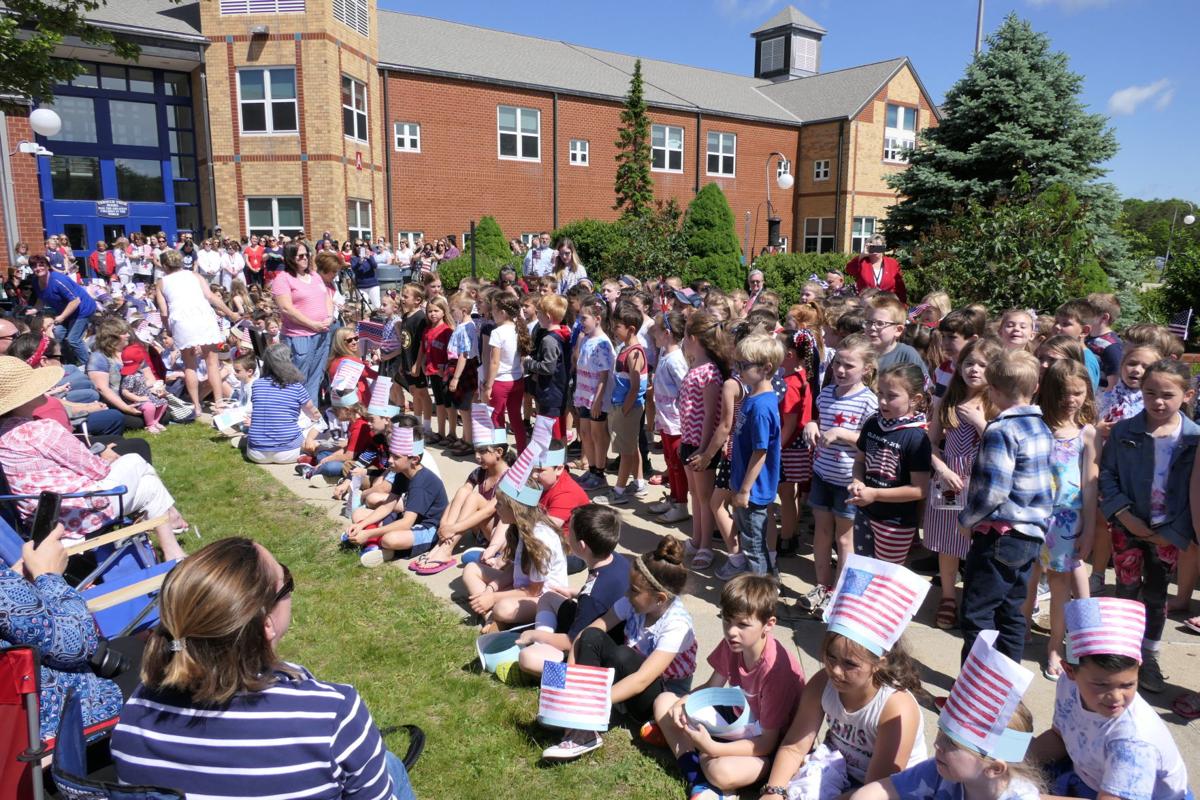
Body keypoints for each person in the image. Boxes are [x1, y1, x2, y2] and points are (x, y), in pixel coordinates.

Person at [110, 537, 416, 800]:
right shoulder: (333, 715)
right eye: (286, 582)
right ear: (266, 624)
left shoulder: (138, 710)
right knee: (390, 766)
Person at [762, 555, 928, 798]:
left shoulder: (895, 708)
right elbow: (795, 747)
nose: (836, 671)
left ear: (878, 664)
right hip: (839, 773)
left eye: (850, 664)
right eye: (831, 658)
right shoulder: (822, 683)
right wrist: (773, 791)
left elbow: (877, 790)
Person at [0, 355, 187, 559]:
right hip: (75, 513)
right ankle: (173, 520)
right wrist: (105, 456)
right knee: (134, 460)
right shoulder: (40, 430)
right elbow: (98, 470)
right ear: (23, 398)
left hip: (43, 519)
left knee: (149, 486)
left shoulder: (6, 434)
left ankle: (174, 551)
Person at [542, 537, 696, 762]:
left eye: (634, 590)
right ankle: (575, 712)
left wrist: (590, 705)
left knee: (623, 654)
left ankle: (585, 730)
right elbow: (589, 634)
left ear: (660, 599)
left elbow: (642, 680)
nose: (627, 594)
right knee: (592, 636)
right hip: (626, 682)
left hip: (657, 696)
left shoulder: (677, 624)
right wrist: (571, 676)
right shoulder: (632, 603)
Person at [653, 575, 804, 799]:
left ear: (769, 624)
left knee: (721, 771)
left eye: (743, 624)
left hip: (767, 747)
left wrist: (712, 748)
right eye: (727, 620)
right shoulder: (734, 644)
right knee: (665, 702)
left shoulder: (776, 671)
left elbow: (767, 742)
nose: (731, 631)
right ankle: (699, 780)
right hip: (737, 722)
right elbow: (713, 686)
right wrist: (683, 702)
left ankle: (691, 753)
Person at [1098, 359, 1198, 693]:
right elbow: (1107, 475)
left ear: (1187, 395)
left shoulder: (1194, 439)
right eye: (1150, 392)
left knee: (1156, 595)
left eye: (1167, 395)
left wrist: (1171, 531)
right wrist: (1124, 515)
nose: (1157, 401)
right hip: (1127, 525)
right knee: (1126, 589)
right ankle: (1122, 653)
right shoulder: (1126, 430)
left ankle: (1149, 656)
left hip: (1168, 532)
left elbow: (1194, 493)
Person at [1028, 598, 1188, 799]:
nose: (1115, 697)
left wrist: (1019, 795)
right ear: (1070, 670)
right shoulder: (1068, 685)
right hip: (1089, 777)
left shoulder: (1134, 741)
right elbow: (1059, 736)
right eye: (1101, 685)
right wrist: (1014, 761)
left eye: (1128, 685)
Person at [850, 639, 1043, 800]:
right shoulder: (939, 771)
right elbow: (873, 793)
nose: (936, 744)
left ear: (994, 769)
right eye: (941, 732)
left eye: (951, 742)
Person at [958, 349, 1054, 663]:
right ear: (1035, 388)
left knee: (978, 613)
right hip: (1030, 535)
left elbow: (993, 491)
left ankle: (974, 691)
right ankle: (1006, 685)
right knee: (1011, 612)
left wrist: (967, 519)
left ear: (994, 391)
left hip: (1001, 535)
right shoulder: (1041, 427)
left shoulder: (1001, 431)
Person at [0, 523, 128, 741]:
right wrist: (49, 575)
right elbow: (79, 644)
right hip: (63, 732)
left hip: (13, 746)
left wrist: (14, 583)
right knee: (157, 664)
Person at [799, 334, 879, 618]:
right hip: (822, 473)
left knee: (844, 539)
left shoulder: (869, 402)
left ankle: (841, 593)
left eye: (849, 366)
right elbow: (820, 420)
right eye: (837, 364)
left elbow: (871, 441)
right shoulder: (826, 393)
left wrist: (842, 434)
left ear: (867, 369)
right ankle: (822, 585)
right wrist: (811, 424)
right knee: (821, 532)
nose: (841, 371)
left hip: (849, 480)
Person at [923, 338, 999, 630]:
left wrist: (980, 422)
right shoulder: (948, 401)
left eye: (982, 364)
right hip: (951, 479)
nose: (975, 370)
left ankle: (973, 598)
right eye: (969, 363)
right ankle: (947, 596)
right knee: (948, 540)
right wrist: (941, 468)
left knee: (977, 541)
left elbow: (1001, 444)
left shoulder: (996, 404)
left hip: (982, 481)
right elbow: (931, 442)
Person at [1032, 359, 1099, 681]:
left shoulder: (1087, 434)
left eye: (1078, 392)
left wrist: (1087, 529)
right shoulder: (1036, 425)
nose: (1070, 399)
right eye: (1063, 392)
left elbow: (1090, 485)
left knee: (1059, 588)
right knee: (1027, 578)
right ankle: (1019, 630)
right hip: (1031, 516)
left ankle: (1055, 647)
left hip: (1065, 521)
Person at [462, 442, 568, 630]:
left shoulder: (539, 537)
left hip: (543, 598)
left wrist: (494, 597)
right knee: (471, 568)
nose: (496, 508)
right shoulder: (518, 527)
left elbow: (533, 590)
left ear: (516, 509)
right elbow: (515, 567)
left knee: (503, 607)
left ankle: (495, 614)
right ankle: (490, 616)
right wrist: (491, 588)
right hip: (520, 588)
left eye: (501, 504)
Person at [516, 504, 630, 678]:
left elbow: (571, 642)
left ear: (582, 546)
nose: (567, 534)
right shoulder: (618, 560)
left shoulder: (592, 598)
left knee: (527, 659)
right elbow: (606, 597)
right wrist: (576, 593)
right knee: (548, 598)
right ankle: (543, 645)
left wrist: (534, 634)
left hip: (597, 653)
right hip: (601, 625)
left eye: (571, 532)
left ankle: (563, 676)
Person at [848, 363, 932, 565]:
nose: (883, 401)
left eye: (892, 396)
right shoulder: (872, 423)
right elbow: (859, 461)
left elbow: (920, 490)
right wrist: (857, 481)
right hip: (865, 513)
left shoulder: (917, 436)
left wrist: (875, 494)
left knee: (884, 574)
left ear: (915, 399)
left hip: (895, 524)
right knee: (862, 567)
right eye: (880, 394)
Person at [717, 334, 783, 579]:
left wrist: (744, 490)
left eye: (744, 365)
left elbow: (760, 452)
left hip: (753, 490)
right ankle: (766, 583)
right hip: (743, 482)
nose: (738, 370)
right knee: (752, 541)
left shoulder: (762, 407)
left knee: (754, 547)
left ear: (766, 368)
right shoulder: (753, 397)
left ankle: (762, 594)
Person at [344, 421, 448, 568]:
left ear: (415, 459)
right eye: (390, 455)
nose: (390, 460)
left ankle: (381, 546)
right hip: (408, 519)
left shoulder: (422, 482)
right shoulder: (402, 472)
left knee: (390, 539)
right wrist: (362, 525)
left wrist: (368, 534)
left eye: (396, 457)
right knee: (359, 515)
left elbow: (407, 523)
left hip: (428, 529)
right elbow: (387, 506)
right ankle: (376, 545)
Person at [156, 248, 240, 417]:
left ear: (165, 265)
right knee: (212, 363)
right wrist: (230, 313)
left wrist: (169, 330)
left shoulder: (162, 282)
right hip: (203, 316)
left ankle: (197, 406)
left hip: (181, 320)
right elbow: (211, 297)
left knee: (190, 365)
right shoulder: (195, 275)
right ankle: (219, 403)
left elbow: (163, 312)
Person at [595, 302, 648, 506]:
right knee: (631, 445)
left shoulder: (635, 353)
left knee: (625, 452)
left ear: (631, 328)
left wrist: (625, 409)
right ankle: (639, 482)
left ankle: (619, 490)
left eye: (617, 327)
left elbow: (635, 386)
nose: (614, 330)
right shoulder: (627, 348)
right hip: (624, 406)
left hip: (628, 408)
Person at [272, 240, 334, 405]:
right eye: (300, 256)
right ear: (290, 258)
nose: (305, 258)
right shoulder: (283, 279)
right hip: (299, 337)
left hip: (321, 334)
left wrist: (330, 316)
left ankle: (311, 415)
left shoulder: (314, 276)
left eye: (307, 254)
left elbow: (326, 297)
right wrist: (311, 324)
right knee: (299, 378)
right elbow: (286, 308)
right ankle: (296, 414)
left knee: (316, 376)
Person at [244, 343, 323, 464]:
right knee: (318, 426)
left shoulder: (257, 385)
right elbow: (313, 413)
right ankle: (309, 453)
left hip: (255, 453)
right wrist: (318, 419)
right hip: (288, 452)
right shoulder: (296, 387)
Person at [776, 329, 818, 558]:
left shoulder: (790, 382)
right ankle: (790, 533)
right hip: (796, 444)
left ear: (789, 354)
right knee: (790, 493)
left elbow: (790, 422)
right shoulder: (801, 375)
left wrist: (777, 448)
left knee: (786, 494)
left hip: (789, 446)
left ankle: (787, 537)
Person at [646, 310, 691, 523]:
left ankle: (681, 504)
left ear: (667, 333)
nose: (653, 334)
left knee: (677, 464)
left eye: (656, 331)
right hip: (665, 419)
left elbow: (686, 390)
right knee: (669, 461)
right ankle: (673, 498)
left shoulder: (676, 360)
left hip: (676, 422)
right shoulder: (665, 354)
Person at [573, 298, 615, 490]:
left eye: (584, 318)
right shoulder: (586, 339)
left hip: (596, 397)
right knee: (585, 433)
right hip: (583, 393)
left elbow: (604, 375)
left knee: (598, 435)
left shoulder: (603, 343)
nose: (581, 322)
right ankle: (591, 469)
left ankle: (599, 472)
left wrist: (598, 401)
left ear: (597, 319)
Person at [482, 293, 530, 452]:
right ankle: (522, 451)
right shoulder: (519, 329)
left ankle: (499, 453)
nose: (491, 313)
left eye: (494, 310)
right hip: (517, 380)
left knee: (497, 418)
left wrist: (488, 385)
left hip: (501, 382)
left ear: (502, 312)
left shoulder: (498, 332)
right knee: (516, 418)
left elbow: (494, 362)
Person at [30, 254, 96, 365]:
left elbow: (75, 301)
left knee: (73, 339)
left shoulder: (57, 280)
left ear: (47, 266)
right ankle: (70, 362)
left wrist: (62, 317)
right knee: (59, 334)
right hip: (66, 311)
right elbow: (42, 298)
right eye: (34, 266)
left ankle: (89, 366)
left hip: (82, 310)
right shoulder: (36, 281)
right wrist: (34, 310)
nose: (38, 268)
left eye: (41, 265)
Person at [523, 294, 571, 439]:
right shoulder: (564, 333)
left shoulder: (548, 340)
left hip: (551, 392)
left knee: (552, 430)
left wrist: (528, 362)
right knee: (558, 428)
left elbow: (548, 367)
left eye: (539, 313)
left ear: (548, 316)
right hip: (559, 389)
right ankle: (559, 458)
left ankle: (554, 460)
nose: (537, 316)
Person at [1052, 299, 1103, 390]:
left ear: (1084, 331)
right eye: (1056, 322)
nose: (1057, 326)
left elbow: (1083, 395)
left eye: (1065, 324)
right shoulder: (1058, 352)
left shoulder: (1086, 361)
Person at [845, 235, 906, 302]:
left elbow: (900, 287)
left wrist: (902, 305)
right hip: (866, 304)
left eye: (878, 246)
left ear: (883, 247)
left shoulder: (892, 263)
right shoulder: (862, 262)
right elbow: (849, 270)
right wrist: (862, 255)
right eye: (873, 246)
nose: (876, 249)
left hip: (888, 304)